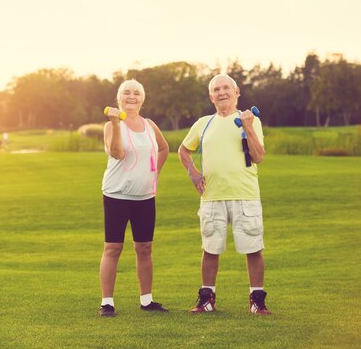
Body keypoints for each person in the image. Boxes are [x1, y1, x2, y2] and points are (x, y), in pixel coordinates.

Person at [178, 74, 272, 315]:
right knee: (210, 248)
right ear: (211, 96)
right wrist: (195, 175)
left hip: (245, 194)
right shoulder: (203, 123)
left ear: (236, 91)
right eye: (216, 89)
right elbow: (183, 150)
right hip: (212, 196)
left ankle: (257, 301)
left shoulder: (250, 120)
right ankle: (207, 300)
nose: (222, 92)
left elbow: (259, 156)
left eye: (226, 88)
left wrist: (249, 126)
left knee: (253, 248)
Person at [99, 79, 170, 317]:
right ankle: (107, 303)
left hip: (144, 197)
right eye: (127, 93)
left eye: (137, 93)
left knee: (145, 248)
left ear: (142, 98)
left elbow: (163, 148)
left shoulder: (149, 125)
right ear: (119, 98)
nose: (132, 97)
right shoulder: (111, 126)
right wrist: (116, 122)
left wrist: (154, 172)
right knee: (113, 248)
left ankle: (147, 300)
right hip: (116, 195)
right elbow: (118, 153)